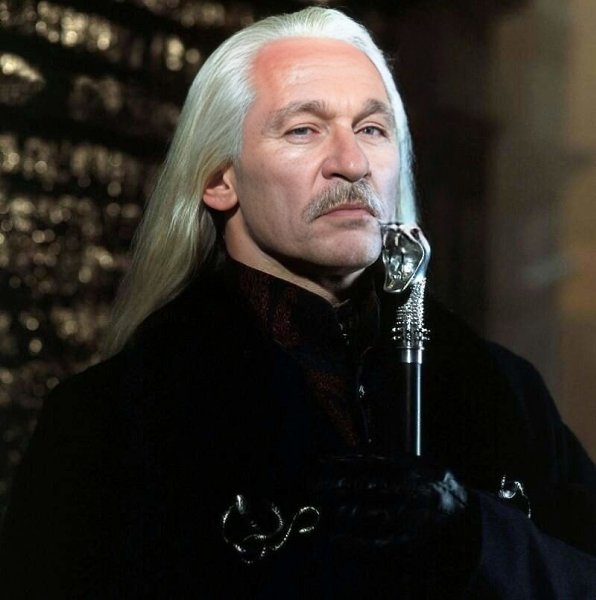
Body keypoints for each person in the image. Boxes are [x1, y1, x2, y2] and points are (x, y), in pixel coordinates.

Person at [1, 6, 595, 599]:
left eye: (372, 129)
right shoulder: (109, 423)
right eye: (303, 130)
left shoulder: (504, 394)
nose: (352, 163)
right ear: (219, 179)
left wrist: (480, 538)